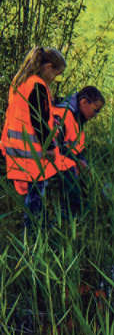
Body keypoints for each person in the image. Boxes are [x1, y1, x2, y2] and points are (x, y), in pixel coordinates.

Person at [3, 47, 66, 227]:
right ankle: (32, 234)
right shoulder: (37, 85)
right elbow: (38, 121)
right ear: (47, 67)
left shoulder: (20, 81)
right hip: (32, 150)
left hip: (15, 146)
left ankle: (37, 226)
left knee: (30, 194)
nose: (55, 79)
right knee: (36, 193)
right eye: (57, 74)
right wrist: (50, 148)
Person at [51, 85, 105, 216]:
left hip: (70, 157)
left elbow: (76, 146)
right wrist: (77, 161)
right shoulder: (62, 114)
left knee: (89, 175)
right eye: (95, 110)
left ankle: (94, 207)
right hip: (53, 158)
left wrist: (82, 162)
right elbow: (54, 144)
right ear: (84, 102)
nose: (96, 115)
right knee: (72, 177)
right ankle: (70, 218)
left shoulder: (78, 116)